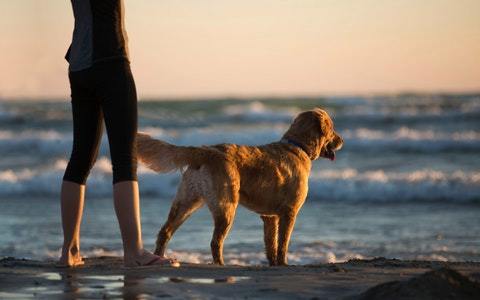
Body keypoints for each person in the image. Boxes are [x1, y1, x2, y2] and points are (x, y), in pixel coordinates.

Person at [59, 0, 178, 267]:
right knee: (124, 160)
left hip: (79, 66)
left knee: (80, 159)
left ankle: (69, 250)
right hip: (110, 61)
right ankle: (134, 251)